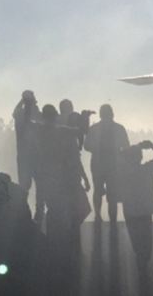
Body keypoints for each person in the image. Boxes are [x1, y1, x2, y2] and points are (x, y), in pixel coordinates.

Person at [36, 104, 91, 293]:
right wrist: (84, 118)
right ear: (54, 116)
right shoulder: (61, 131)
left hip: (50, 177)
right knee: (76, 209)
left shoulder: (39, 130)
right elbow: (79, 133)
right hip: (63, 178)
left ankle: (55, 245)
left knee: (56, 211)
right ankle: (66, 244)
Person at [120, 140, 153, 287]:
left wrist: (131, 149)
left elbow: (118, 155)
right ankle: (143, 276)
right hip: (145, 212)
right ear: (139, 157)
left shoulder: (122, 172)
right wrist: (151, 145)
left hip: (130, 212)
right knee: (146, 246)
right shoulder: (147, 170)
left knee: (138, 246)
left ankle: (142, 275)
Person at [84, 104, 129, 224]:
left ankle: (98, 216)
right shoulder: (119, 128)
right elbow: (126, 146)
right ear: (112, 114)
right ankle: (111, 219)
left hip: (100, 164)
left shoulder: (94, 128)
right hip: (111, 165)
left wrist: (97, 149)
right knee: (111, 193)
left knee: (99, 191)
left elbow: (86, 146)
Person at [12, 90, 43, 223]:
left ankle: (25, 213)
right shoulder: (34, 115)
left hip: (26, 157)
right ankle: (35, 213)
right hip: (35, 157)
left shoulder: (21, 114)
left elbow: (15, 112)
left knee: (26, 187)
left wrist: (23, 101)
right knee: (36, 186)